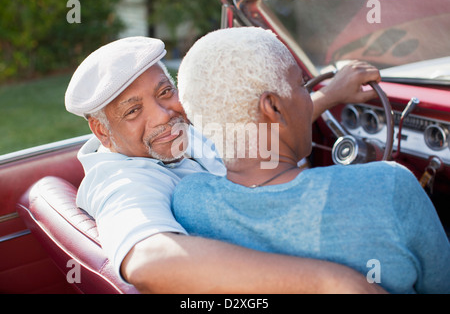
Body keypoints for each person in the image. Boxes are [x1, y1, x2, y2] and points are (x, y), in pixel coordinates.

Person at [65, 35, 387, 293]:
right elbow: (148, 262)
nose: (163, 114)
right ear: (101, 131)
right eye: (133, 111)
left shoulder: (176, 136)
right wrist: (332, 283)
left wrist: (329, 95)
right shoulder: (120, 182)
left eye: (165, 91)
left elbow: (258, 130)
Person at [172, 27, 450, 294]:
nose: (307, 97)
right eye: (302, 86)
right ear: (273, 107)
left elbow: (257, 134)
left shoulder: (188, 200)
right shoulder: (389, 185)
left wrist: (329, 96)